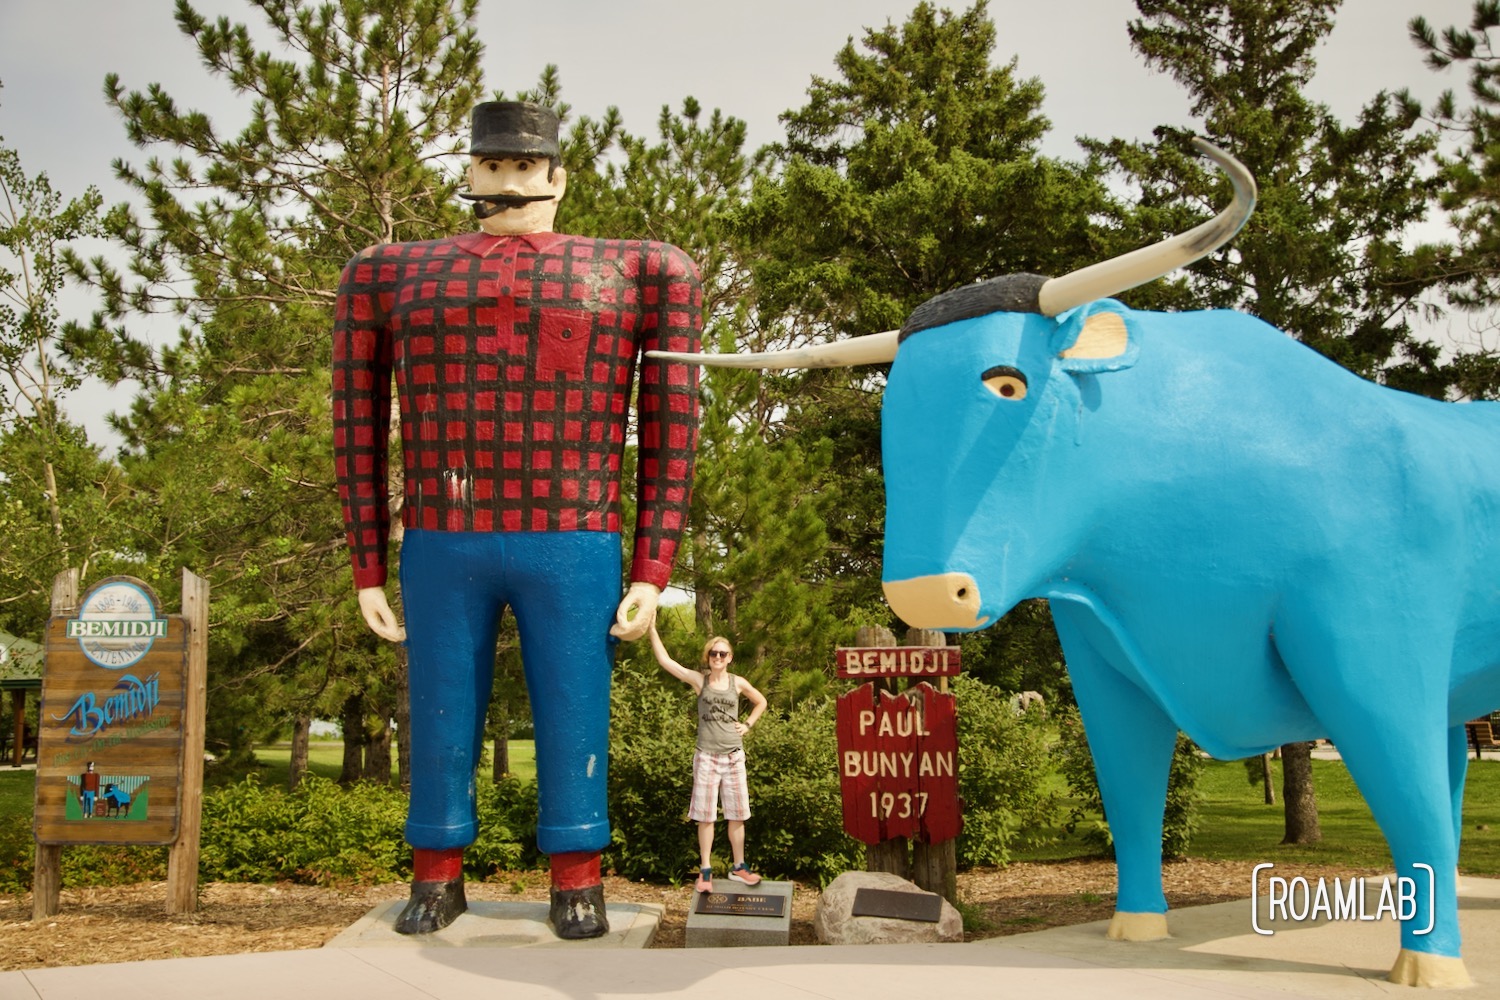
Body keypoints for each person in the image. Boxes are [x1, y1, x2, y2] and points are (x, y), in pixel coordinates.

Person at [333, 101, 702, 939]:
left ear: (557, 176)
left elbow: (672, 426)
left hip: (572, 531)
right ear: (469, 174)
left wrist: (652, 567)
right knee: (438, 705)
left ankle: (578, 875)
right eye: (493, 167)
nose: (508, 181)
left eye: (524, 167)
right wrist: (365, 563)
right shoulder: (390, 275)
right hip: (442, 530)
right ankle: (436, 874)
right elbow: (354, 421)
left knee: (575, 705)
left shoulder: (643, 271)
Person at [647, 626, 767, 892]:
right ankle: (705, 870)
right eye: (714, 653)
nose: (718, 657)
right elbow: (666, 662)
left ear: (730, 657)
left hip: (734, 757)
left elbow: (761, 701)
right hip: (706, 758)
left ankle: (739, 867)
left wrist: (747, 724)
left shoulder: (738, 683)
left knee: (737, 815)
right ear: (708, 656)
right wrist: (653, 629)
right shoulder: (699, 681)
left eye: (723, 653)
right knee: (705, 816)